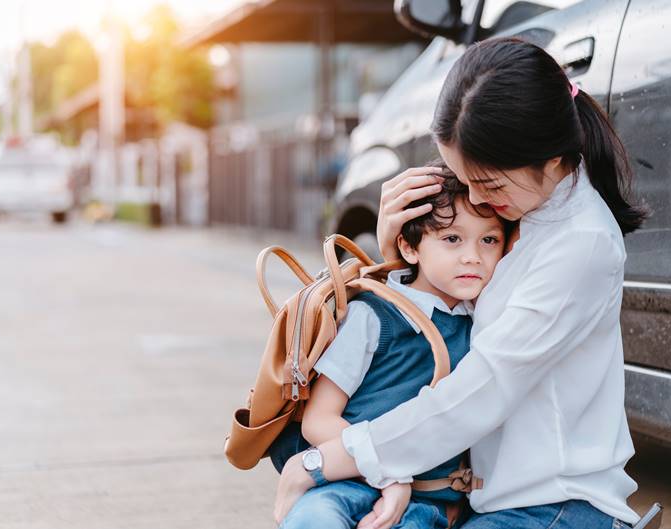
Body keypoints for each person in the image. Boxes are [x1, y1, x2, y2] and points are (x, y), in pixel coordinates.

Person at [274, 37, 648, 529]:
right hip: (496, 501)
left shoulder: (580, 244)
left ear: (554, 159)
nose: (476, 199)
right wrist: (399, 253)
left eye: (489, 184)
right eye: (460, 177)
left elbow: (480, 392)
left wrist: (322, 462)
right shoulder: (526, 215)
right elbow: (445, 327)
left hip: (555, 506)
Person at [277, 170, 506, 529]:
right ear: (409, 247)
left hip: (429, 502)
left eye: (489, 240)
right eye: (452, 239)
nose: (472, 257)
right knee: (314, 520)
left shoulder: (484, 323)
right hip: (344, 483)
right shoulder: (375, 315)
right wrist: (384, 473)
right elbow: (318, 419)